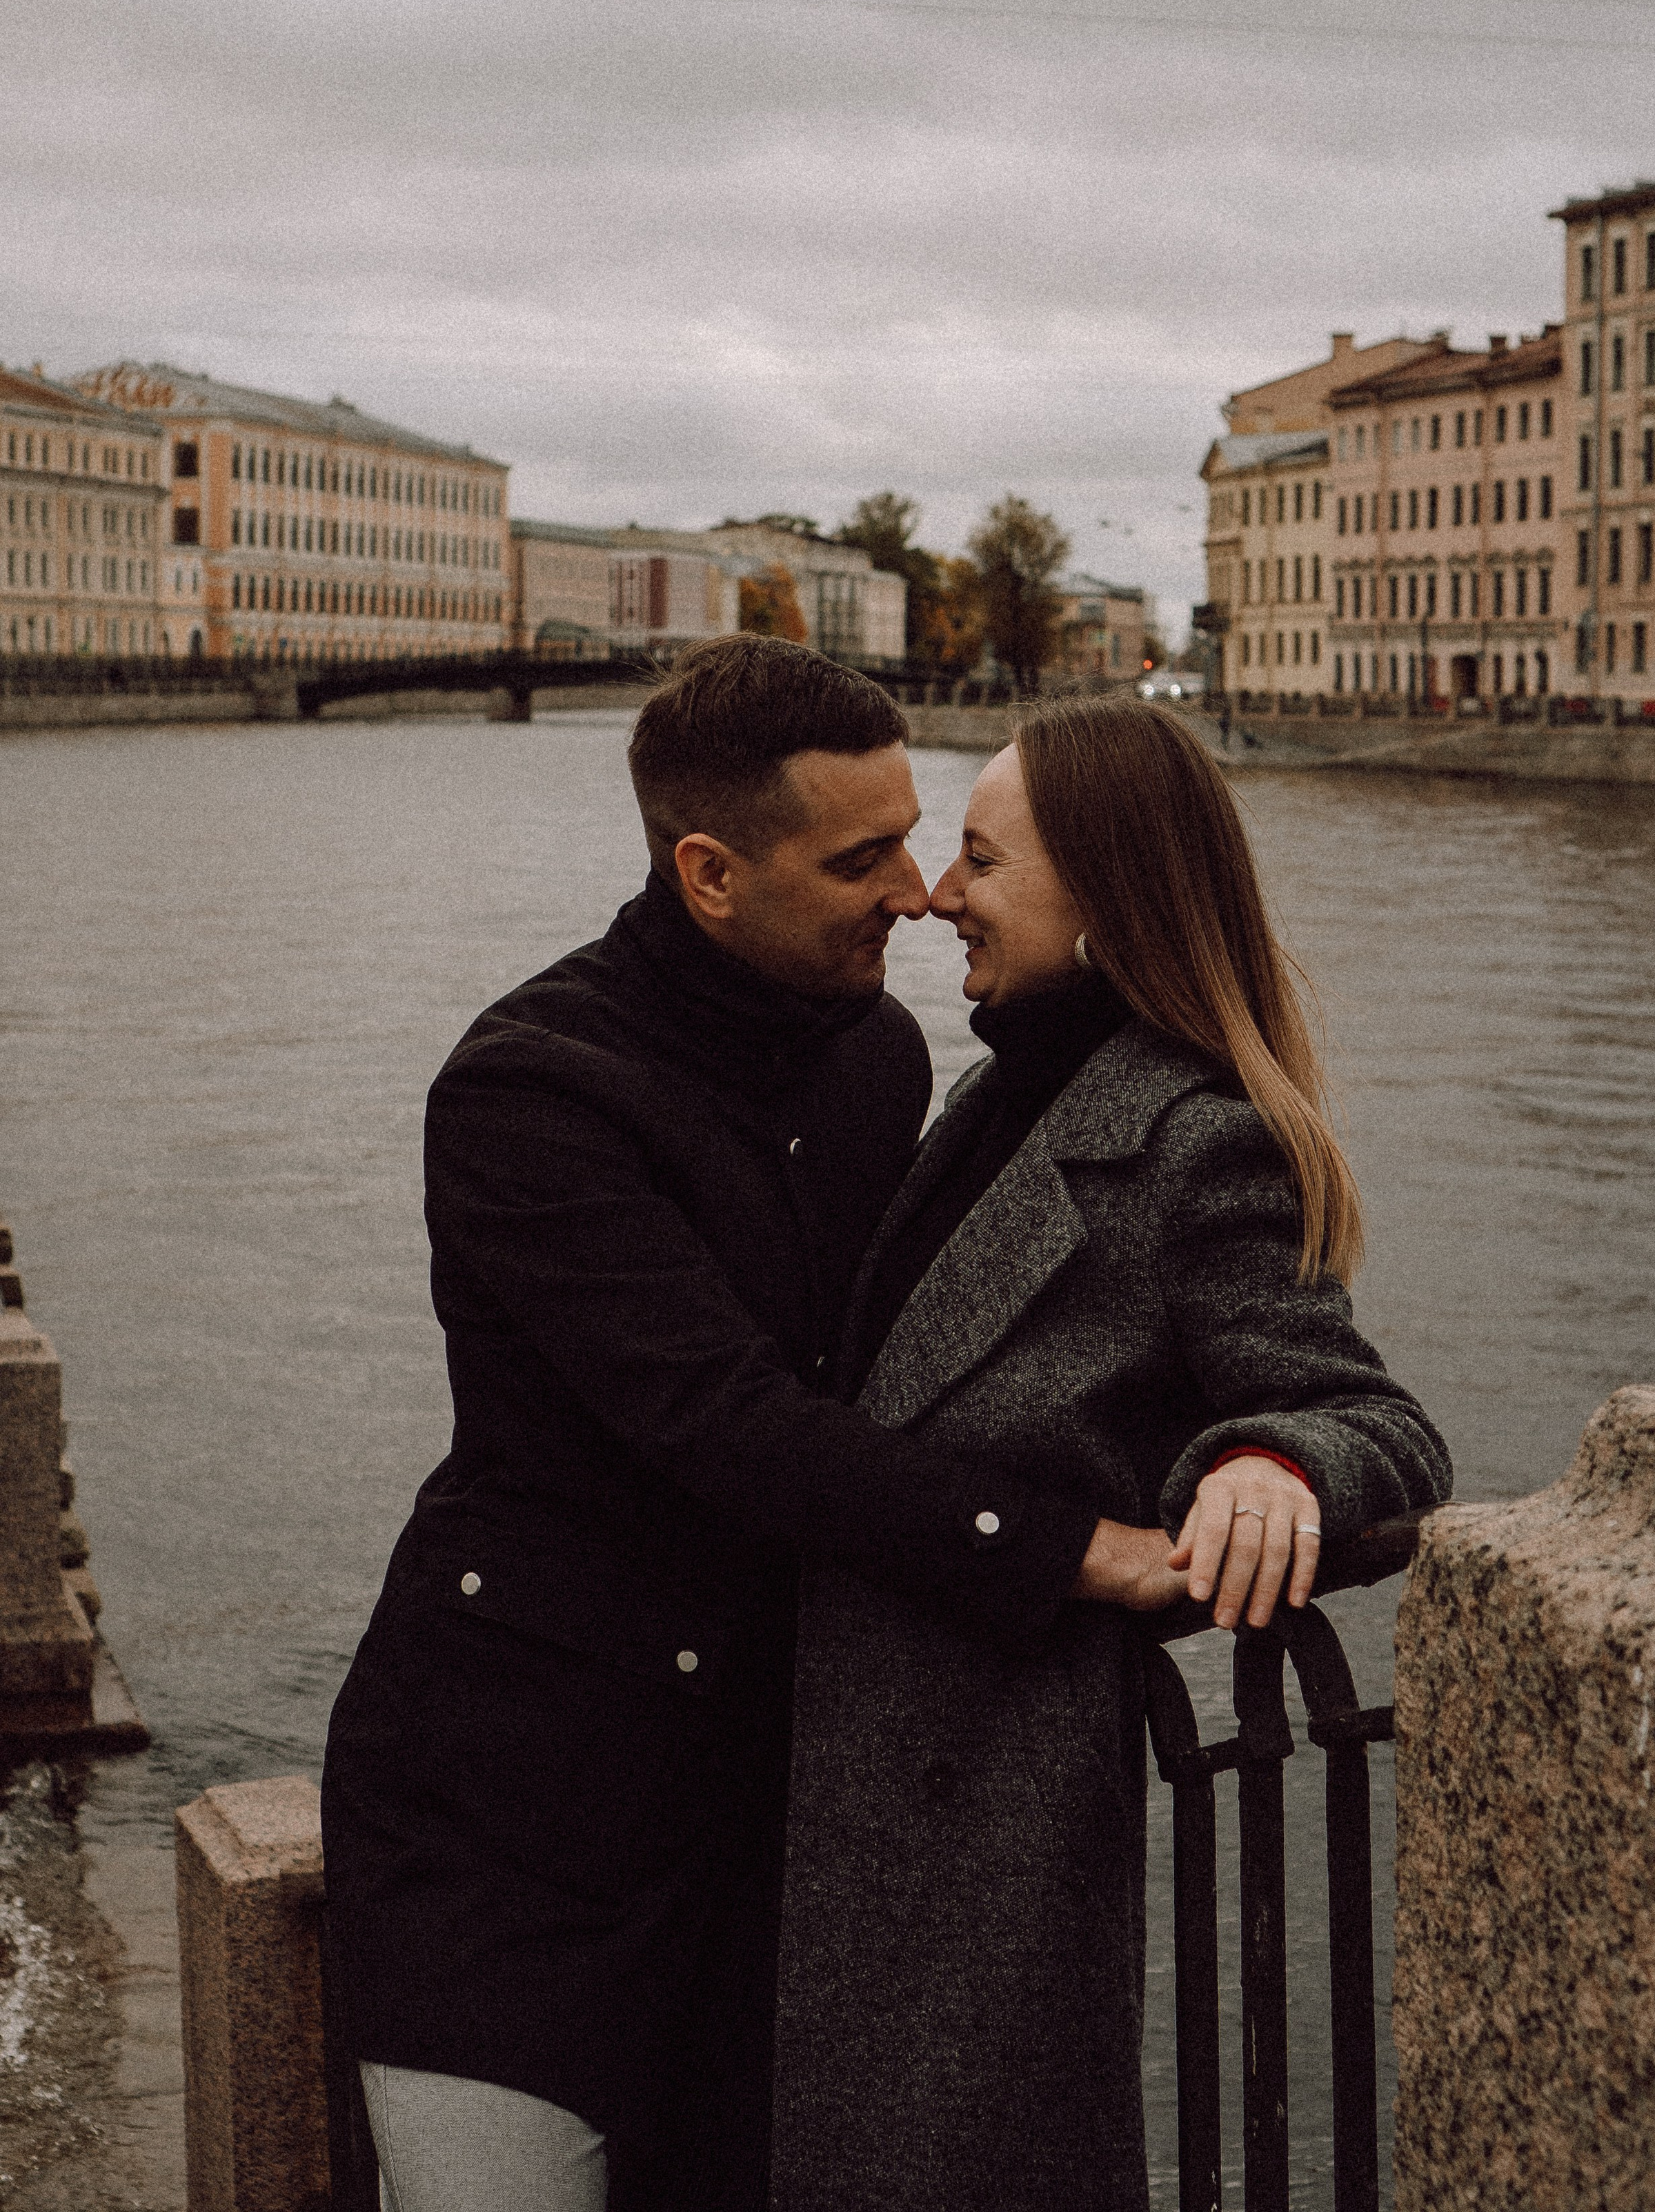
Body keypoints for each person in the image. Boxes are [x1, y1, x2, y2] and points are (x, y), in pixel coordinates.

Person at [320, 638, 1188, 2212]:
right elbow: (721, 1421)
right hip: (514, 1830)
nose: (916, 892)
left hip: (767, 1825)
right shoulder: (532, 1089)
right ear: (709, 871)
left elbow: (967, 1356)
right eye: (860, 858)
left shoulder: (881, 1054)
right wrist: (1064, 1552)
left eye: (918, 838)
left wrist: (1251, 1454)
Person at [770, 691, 1452, 2212]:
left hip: (974, 1836)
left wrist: (1268, 1463)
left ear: (1106, 899)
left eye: (981, 862)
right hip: (833, 1794)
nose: (941, 895)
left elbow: (1381, 1428)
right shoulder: (998, 1095)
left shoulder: (1187, 1140)